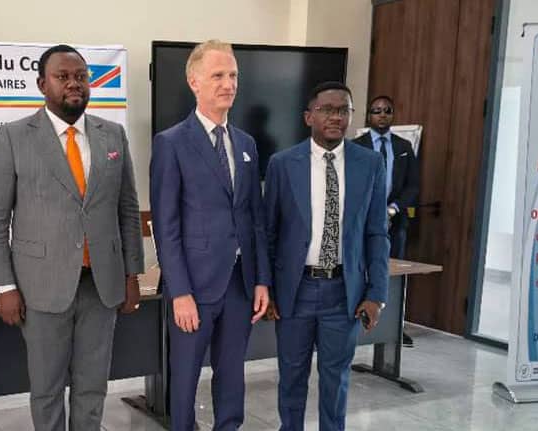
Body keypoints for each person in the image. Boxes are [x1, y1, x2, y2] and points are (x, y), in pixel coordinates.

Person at [0, 44, 145, 431]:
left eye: (81, 77)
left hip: (101, 285)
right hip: (41, 287)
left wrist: (132, 274)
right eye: (63, 77)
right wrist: (3, 286)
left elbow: (126, 208)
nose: (74, 84)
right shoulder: (14, 137)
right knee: (47, 387)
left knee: (93, 385)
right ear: (42, 84)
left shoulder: (113, 136)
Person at [149, 40, 270, 431]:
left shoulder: (248, 145)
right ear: (194, 82)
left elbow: (254, 219)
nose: (228, 83)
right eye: (218, 75)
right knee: (184, 378)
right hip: (194, 287)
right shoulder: (171, 143)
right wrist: (180, 292)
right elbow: (165, 225)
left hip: (240, 282)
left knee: (232, 374)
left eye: (233, 75)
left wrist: (262, 280)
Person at [264, 81, 389, 431]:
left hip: (343, 293)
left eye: (343, 110)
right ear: (309, 117)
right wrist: (268, 288)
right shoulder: (282, 165)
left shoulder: (370, 164)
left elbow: (377, 232)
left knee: (336, 381)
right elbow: (268, 234)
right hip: (296, 291)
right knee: (291, 377)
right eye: (326, 110)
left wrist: (376, 293)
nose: (335, 117)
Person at [352, 95, 420, 347]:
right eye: (376, 111)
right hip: (363, 221)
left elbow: (413, 186)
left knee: (393, 275)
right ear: (369, 115)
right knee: (361, 267)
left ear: (393, 115)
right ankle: (361, 316)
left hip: (394, 221)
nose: (382, 115)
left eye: (387, 111)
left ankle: (393, 326)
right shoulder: (356, 146)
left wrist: (392, 209)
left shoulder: (404, 147)